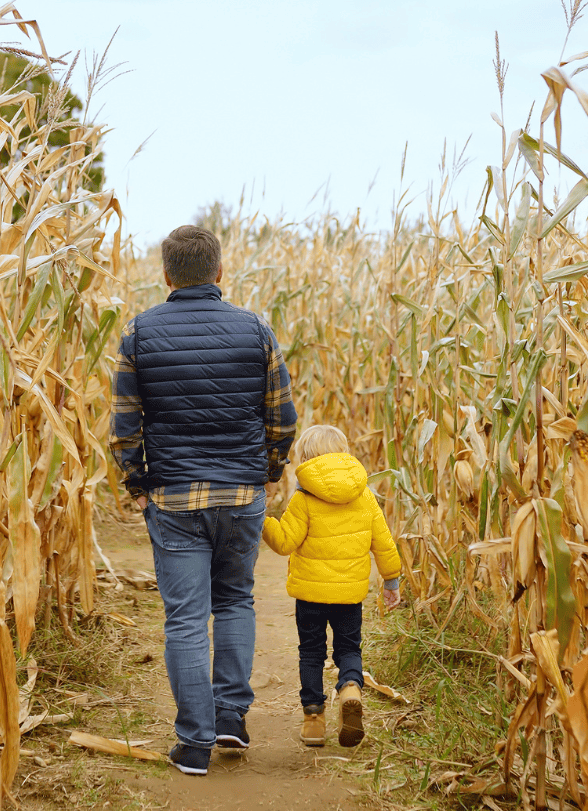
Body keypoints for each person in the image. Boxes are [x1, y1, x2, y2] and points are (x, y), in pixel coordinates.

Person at [111, 225, 297, 776]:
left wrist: (138, 484)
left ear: (167, 276)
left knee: (186, 620)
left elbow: (125, 425)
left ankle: (194, 744)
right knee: (235, 600)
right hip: (241, 495)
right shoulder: (255, 329)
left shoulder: (138, 333)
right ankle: (231, 720)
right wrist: (267, 472)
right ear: (219, 273)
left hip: (173, 500)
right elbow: (282, 417)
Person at [261, 424, 401, 748]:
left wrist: (262, 520)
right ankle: (351, 688)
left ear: (307, 460)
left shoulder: (304, 498)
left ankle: (313, 721)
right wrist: (391, 581)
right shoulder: (364, 494)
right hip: (349, 595)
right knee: (349, 649)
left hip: (310, 596)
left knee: (311, 652)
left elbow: (284, 542)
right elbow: (384, 542)